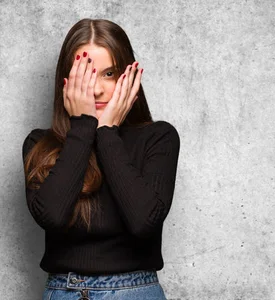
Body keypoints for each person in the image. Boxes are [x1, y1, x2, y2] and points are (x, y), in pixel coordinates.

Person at [22, 18, 180, 300]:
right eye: (86, 74)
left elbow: (144, 222)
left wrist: (107, 132)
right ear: (65, 80)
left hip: (135, 291)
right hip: (64, 291)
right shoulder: (40, 145)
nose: (96, 90)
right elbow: (52, 217)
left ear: (128, 77)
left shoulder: (159, 138)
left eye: (109, 74)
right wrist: (82, 128)